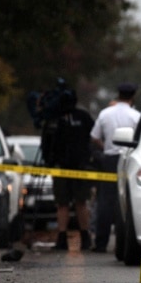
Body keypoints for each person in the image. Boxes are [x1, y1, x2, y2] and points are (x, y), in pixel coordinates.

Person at [90, 83, 141, 252]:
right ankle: (126, 242)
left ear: (118, 94)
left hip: (109, 159)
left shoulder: (105, 114)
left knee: (105, 201)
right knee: (127, 201)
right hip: (128, 159)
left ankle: (101, 243)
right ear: (133, 97)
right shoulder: (136, 116)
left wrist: (105, 145)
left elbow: (94, 136)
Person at [50, 89, 95, 251]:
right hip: (75, 168)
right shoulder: (81, 117)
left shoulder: (56, 118)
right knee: (77, 203)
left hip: (68, 168)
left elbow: (48, 144)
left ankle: (73, 238)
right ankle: (80, 238)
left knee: (70, 204)